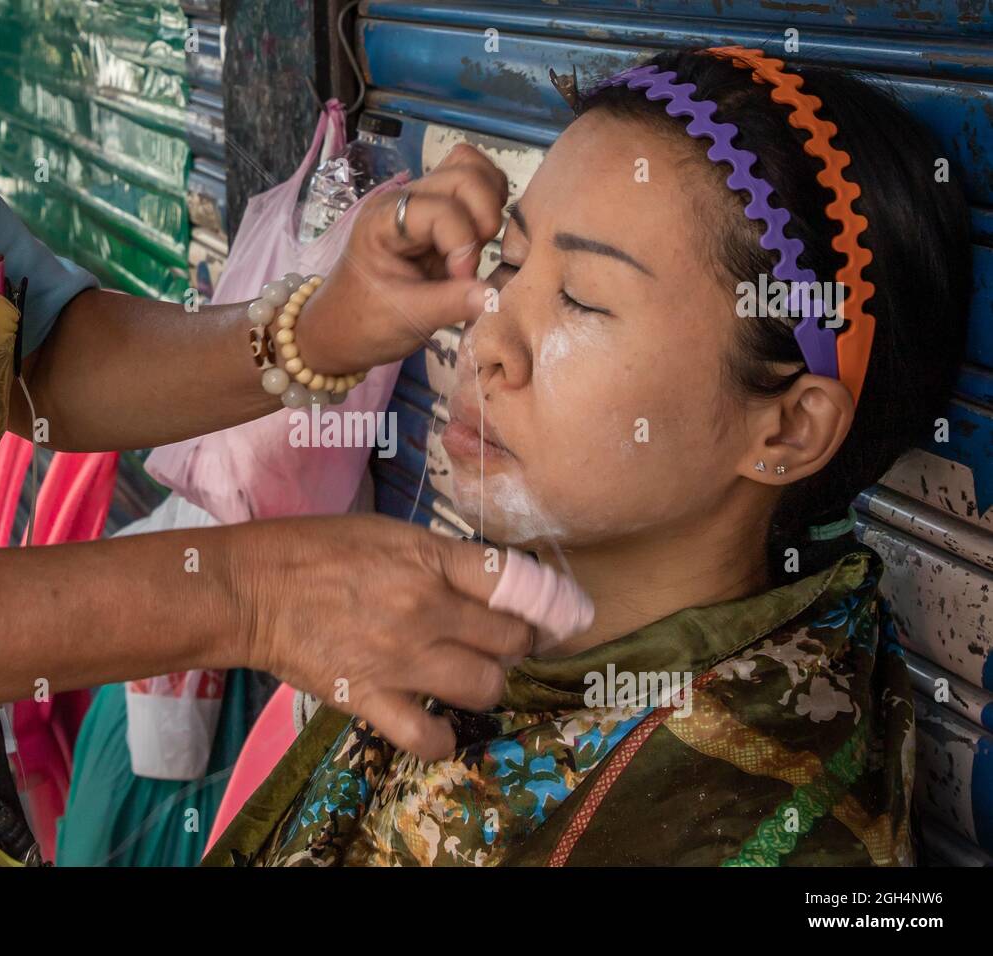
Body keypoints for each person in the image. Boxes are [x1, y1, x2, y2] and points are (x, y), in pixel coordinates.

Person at [0, 0, 548, 864]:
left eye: (580, 297)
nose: (500, 346)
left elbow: (38, 344)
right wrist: (243, 596)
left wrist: (313, 329)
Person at [204, 48, 971, 867]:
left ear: (786, 430)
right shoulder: (431, 636)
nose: (483, 339)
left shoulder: (764, 836)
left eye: (582, 300)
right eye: (511, 259)